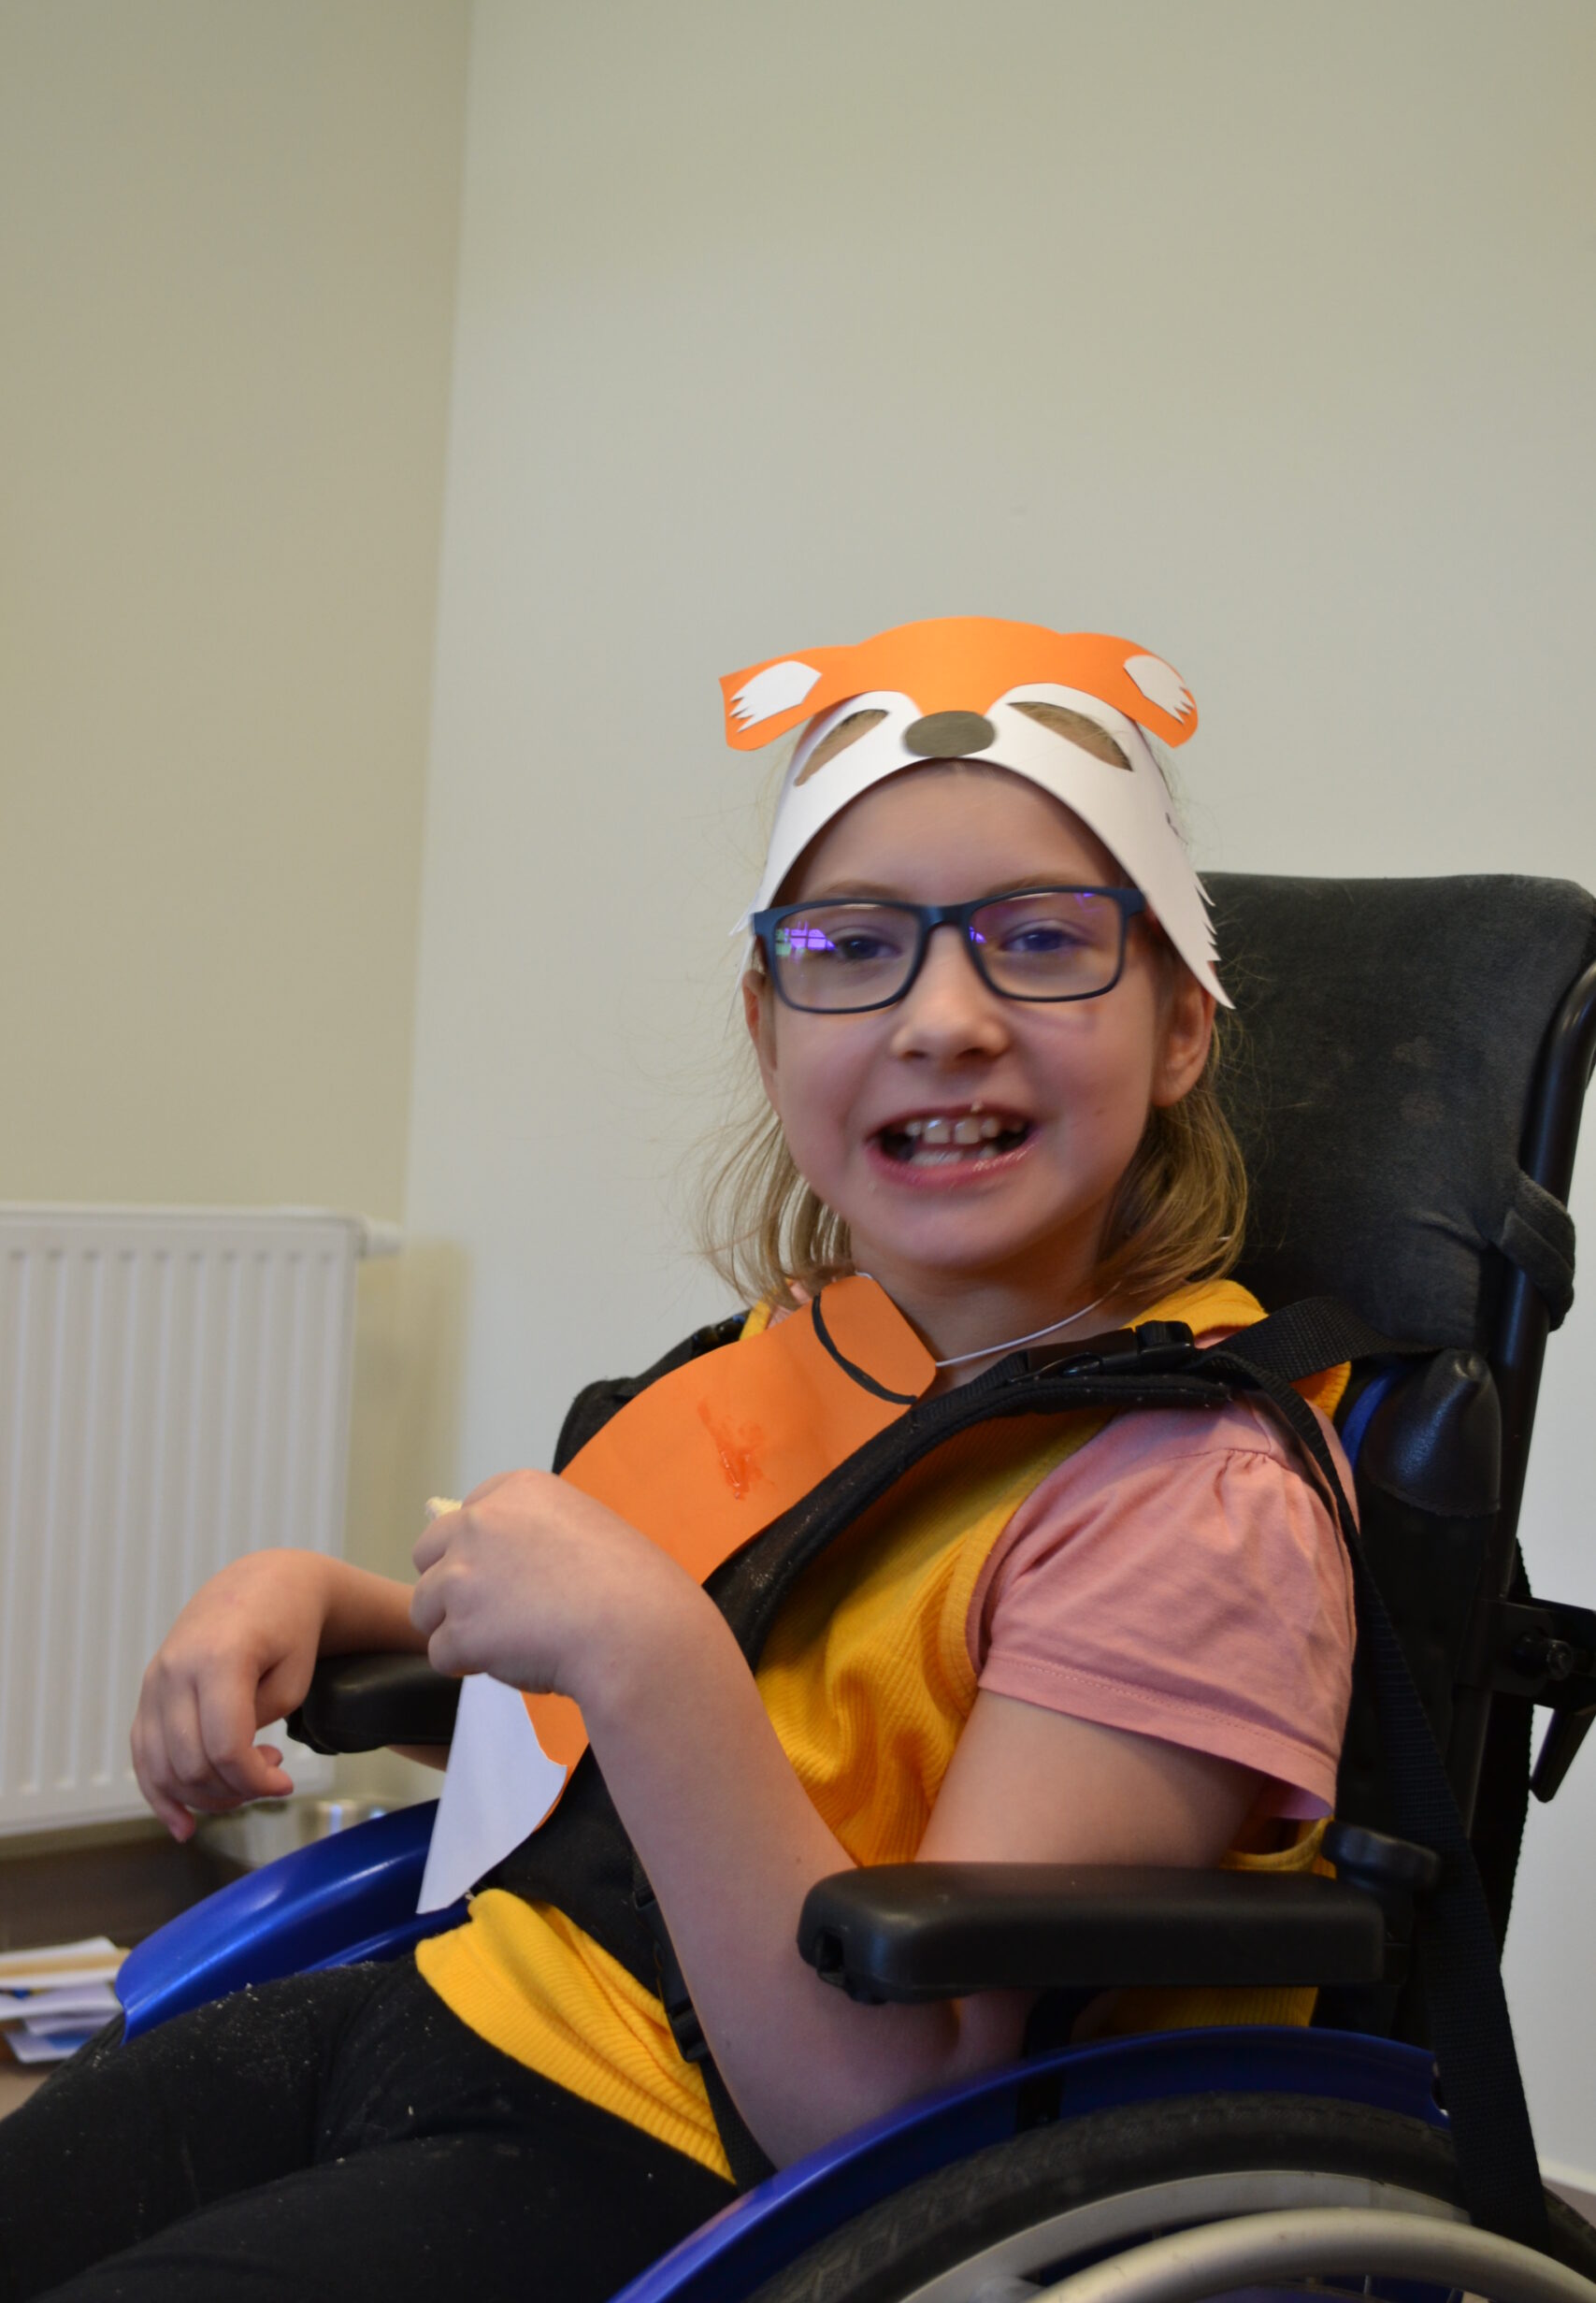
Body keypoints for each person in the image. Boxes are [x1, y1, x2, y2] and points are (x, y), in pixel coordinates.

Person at [0, 619, 1355, 2303]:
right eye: (852, 946)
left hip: (711, 2167)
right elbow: (590, 1692)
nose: (945, 1018)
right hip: (473, 2000)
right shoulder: (806, 1354)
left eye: (1041, 940)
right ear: (771, 1029)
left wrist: (648, 1648)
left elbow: (884, 2105)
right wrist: (322, 1598)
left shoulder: (1190, 1504)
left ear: (1180, 1026)